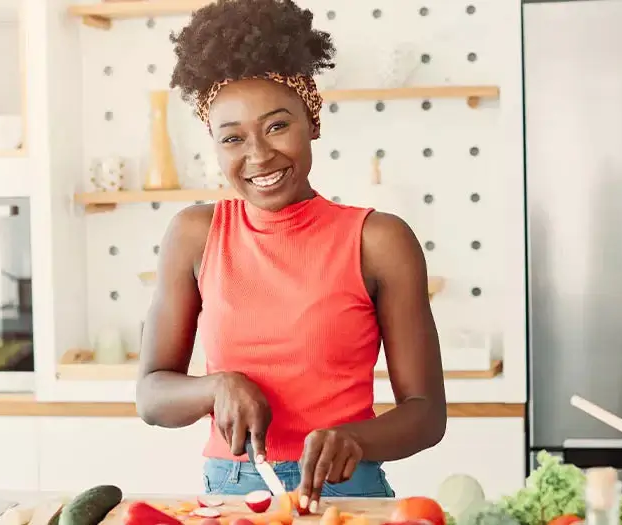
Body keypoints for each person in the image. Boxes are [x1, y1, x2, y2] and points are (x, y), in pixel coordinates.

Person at [135, 0, 447, 508]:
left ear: (312, 121)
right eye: (233, 137)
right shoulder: (195, 233)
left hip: (347, 492)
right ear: (215, 145)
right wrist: (216, 387)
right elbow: (151, 396)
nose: (258, 155)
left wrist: (356, 439)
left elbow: (427, 413)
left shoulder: (378, 240)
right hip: (230, 496)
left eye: (277, 126)